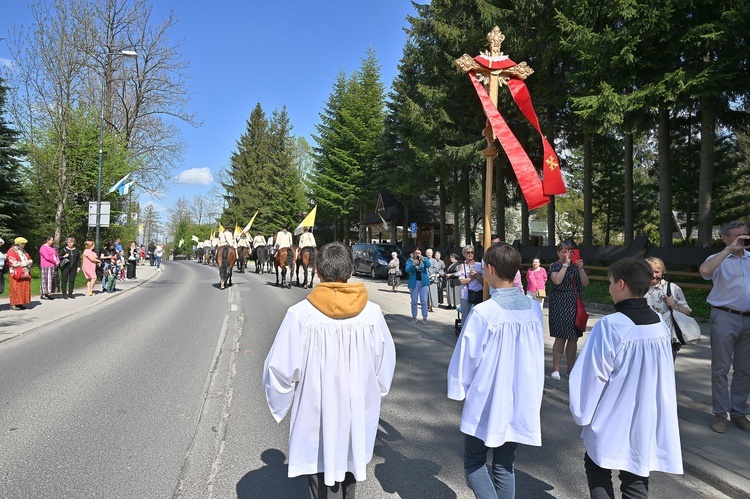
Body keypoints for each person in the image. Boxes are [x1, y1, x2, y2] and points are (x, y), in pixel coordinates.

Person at [263, 241, 396, 497]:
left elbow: (279, 370)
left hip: (316, 414)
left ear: (317, 271)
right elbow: (384, 365)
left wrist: (281, 402)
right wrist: (371, 396)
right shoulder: (371, 314)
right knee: (349, 471)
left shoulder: (301, 315)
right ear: (351, 271)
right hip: (355, 410)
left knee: (320, 478)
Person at [569, 257, 683, 498]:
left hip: (613, 413)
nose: (609, 287)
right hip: (645, 416)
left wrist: (583, 415)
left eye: (610, 282)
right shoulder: (659, 323)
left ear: (620, 284)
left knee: (597, 465)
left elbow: (593, 376)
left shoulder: (611, 325)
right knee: (636, 479)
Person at [448, 244, 545, 499]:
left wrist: (460, 389)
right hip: (519, 396)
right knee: (504, 465)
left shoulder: (484, 312)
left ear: (489, 269)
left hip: (487, 397)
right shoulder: (533, 309)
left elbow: (467, 357)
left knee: (475, 462)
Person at [699, 220, 750, 434]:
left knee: (745, 369)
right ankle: (720, 414)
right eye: (738, 236)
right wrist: (729, 250)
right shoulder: (716, 259)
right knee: (720, 368)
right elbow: (705, 271)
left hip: (748, 319)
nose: (743, 239)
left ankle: (738, 412)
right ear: (725, 237)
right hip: (724, 316)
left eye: (746, 235)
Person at [548, 241, 589, 381]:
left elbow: (585, 283)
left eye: (570, 251)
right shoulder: (554, 265)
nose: (567, 254)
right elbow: (557, 281)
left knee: (573, 338)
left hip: (575, 304)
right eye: (564, 251)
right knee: (560, 337)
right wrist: (565, 265)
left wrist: (581, 269)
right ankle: (556, 369)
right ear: (558, 253)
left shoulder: (577, 267)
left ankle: (571, 370)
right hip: (559, 304)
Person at [644, 257, 692, 361]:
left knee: (665, 374)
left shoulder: (672, 288)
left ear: (663, 272)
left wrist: (675, 306)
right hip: (643, 337)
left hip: (667, 338)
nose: (653, 275)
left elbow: (687, 312)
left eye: (657, 272)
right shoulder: (637, 287)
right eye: (650, 271)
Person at [406, 247, 431, 324]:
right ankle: (414, 316)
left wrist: (424, 259)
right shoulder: (410, 260)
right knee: (414, 301)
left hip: (423, 282)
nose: (417, 254)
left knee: (424, 301)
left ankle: (425, 317)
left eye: (419, 253)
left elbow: (428, 265)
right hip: (414, 282)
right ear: (413, 253)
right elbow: (407, 270)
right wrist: (413, 264)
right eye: (416, 253)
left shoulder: (424, 259)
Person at [457, 245, 484, 316]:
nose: (470, 254)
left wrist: (477, 276)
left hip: (478, 293)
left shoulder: (479, 265)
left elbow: (483, 282)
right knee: (465, 316)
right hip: (466, 294)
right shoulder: (462, 266)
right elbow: (462, 281)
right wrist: (473, 277)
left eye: (472, 252)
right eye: (468, 252)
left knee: (478, 316)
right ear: (464, 254)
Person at [7, 237, 33, 310]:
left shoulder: (24, 251)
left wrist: (30, 262)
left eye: (24, 244)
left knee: (23, 287)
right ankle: (13, 304)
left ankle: (20, 303)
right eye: (22, 244)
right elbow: (13, 263)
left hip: (25, 272)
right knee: (15, 288)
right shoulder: (11, 251)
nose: (24, 245)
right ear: (18, 244)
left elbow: (29, 258)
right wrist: (26, 263)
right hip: (16, 273)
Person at [39, 235, 59, 299]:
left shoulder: (52, 248)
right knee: (45, 279)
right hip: (45, 265)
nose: (52, 241)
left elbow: (56, 255)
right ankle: (43, 294)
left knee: (50, 279)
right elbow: (47, 257)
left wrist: (58, 261)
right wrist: (54, 261)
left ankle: (48, 293)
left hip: (52, 266)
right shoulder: (43, 247)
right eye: (51, 240)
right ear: (48, 240)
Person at [425, 248, 438, 312]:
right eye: (427, 253)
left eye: (430, 253)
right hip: (425, 278)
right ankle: (427, 305)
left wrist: (430, 272)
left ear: (432, 254)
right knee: (426, 293)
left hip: (432, 279)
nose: (428, 254)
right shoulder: (424, 260)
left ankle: (432, 306)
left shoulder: (434, 261)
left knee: (432, 293)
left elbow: (435, 269)